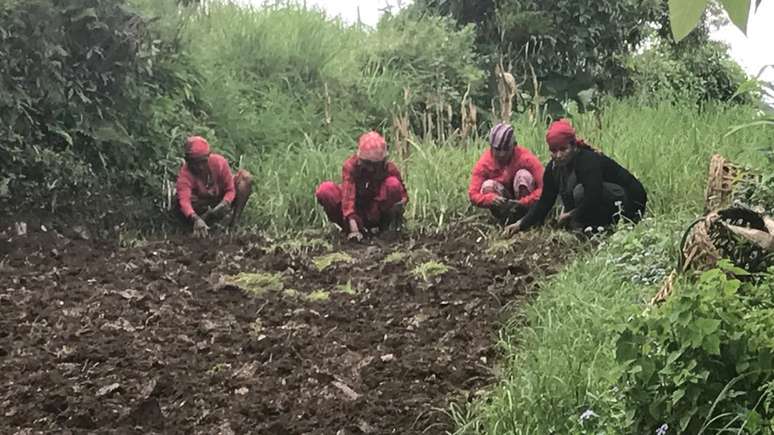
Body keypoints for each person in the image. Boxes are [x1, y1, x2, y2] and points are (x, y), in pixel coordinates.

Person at [506, 119, 647, 234]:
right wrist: (521, 224)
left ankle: (601, 227)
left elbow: (593, 195)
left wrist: (571, 215)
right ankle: (588, 226)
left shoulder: (588, 161)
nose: (558, 155)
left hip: (629, 202)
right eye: (554, 151)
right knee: (570, 195)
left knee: (580, 192)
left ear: (573, 146)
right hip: (602, 200)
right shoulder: (553, 168)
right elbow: (545, 201)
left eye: (563, 149)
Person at [315, 131, 408, 241]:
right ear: (360, 160)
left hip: (376, 212)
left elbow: (403, 197)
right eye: (368, 164)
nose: (371, 169)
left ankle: (386, 228)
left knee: (393, 184)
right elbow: (348, 200)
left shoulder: (390, 168)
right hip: (354, 214)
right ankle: (349, 229)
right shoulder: (350, 166)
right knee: (326, 190)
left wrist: (396, 219)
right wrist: (354, 230)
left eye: (376, 165)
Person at [175, 136, 253, 237]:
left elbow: (230, 189)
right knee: (180, 202)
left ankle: (234, 224)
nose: (200, 167)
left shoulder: (219, 162)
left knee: (245, 179)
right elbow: (184, 201)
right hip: (201, 205)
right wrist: (195, 218)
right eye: (195, 163)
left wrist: (224, 203)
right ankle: (199, 224)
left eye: (203, 161)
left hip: (219, 199)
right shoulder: (185, 175)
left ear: (208, 157)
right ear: (188, 161)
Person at [468, 123, 544, 224]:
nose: (502, 154)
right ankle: (504, 219)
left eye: (506, 149)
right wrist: (490, 199)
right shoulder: (484, 164)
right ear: (491, 147)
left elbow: (545, 188)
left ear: (514, 146)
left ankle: (526, 216)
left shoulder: (526, 158)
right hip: (502, 203)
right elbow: (473, 194)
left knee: (523, 176)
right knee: (488, 185)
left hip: (524, 202)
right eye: (497, 149)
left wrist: (524, 202)